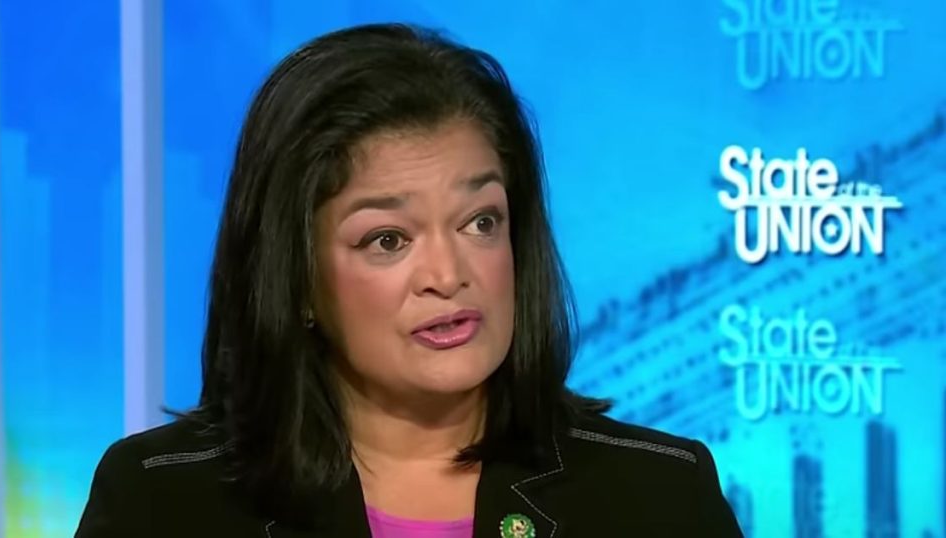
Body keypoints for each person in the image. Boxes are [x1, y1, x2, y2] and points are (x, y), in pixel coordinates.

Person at [75, 23, 743, 537]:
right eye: (388, 240)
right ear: (297, 279)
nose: (448, 276)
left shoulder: (659, 495)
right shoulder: (163, 501)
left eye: (480, 222)